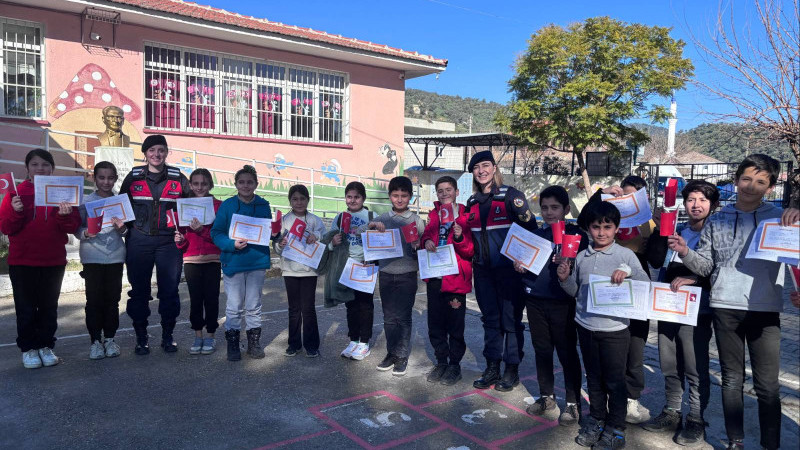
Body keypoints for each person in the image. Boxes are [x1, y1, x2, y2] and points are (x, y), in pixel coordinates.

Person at [669, 154, 800, 450]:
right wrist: (685, 252)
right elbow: (705, 267)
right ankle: (735, 442)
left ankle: (770, 444)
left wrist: (796, 213)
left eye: (760, 181)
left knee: (768, 386)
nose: (751, 186)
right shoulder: (717, 220)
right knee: (731, 380)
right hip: (725, 308)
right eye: (746, 179)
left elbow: (796, 261)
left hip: (765, 310)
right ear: (736, 179)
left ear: (770, 186)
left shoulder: (780, 219)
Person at [559, 201, 651, 450]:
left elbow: (644, 284)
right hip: (586, 326)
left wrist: (629, 272)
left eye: (607, 227)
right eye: (596, 227)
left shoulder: (625, 255)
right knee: (594, 379)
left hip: (615, 330)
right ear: (588, 229)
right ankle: (597, 419)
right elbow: (575, 292)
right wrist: (565, 279)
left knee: (615, 381)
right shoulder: (581, 257)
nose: (602, 232)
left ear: (617, 228)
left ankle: (616, 428)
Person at [642, 180, 719, 444]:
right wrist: (661, 230)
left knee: (695, 367)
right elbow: (654, 259)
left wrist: (695, 280)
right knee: (669, 362)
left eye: (702, 200)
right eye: (691, 200)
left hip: (698, 308)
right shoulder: (677, 228)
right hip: (669, 304)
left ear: (713, 204)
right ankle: (672, 411)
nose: (696, 205)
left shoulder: (716, 232)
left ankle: (696, 419)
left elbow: (715, 270)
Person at [579, 175, 655, 423]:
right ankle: (601, 411)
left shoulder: (647, 223)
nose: (623, 197)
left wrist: (632, 267)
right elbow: (586, 219)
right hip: (603, 291)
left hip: (631, 286)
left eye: (630, 195)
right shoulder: (604, 220)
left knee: (634, 348)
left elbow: (654, 259)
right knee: (602, 363)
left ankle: (631, 399)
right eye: (621, 192)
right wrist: (600, 194)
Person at [0, 148, 81, 369]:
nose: (40, 168)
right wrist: (16, 211)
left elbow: (73, 226)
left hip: (53, 260)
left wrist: (64, 215)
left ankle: (46, 345)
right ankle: (28, 349)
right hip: (22, 261)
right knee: (25, 308)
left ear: (52, 168)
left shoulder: (61, 192)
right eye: (35, 164)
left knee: (48, 307)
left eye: (45, 164)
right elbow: (6, 227)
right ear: (27, 168)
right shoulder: (16, 193)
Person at [465, 150, 538, 392]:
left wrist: (524, 261)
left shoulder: (511, 196)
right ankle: (492, 367)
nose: (481, 171)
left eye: (486, 165)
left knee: (511, 321)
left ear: (494, 168)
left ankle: (511, 369)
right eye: (476, 168)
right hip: (483, 272)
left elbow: (531, 231)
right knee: (490, 321)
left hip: (510, 272)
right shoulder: (472, 202)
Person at [519, 186, 588, 426]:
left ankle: (572, 402)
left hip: (563, 303)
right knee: (542, 350)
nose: (549, 213)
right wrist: (521, 267)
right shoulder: (536, 235)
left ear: (566, 209)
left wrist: (569, 261)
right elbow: (526, 266)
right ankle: (546, 396)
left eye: (555, 208)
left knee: (567, 352)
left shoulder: (577, 235)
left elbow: (582, 268)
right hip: (536, 301)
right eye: (545, 208)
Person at [119, 134, 189, 355]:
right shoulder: (133, 177)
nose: (156, 154)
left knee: (169, 291)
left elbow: (191, 208)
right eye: (152, 150)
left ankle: (168, 337)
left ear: (166, 152)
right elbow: (121, 205)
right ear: (145, 154)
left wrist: (184, 232)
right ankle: (141, 338)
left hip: (168, 243)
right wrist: (122, 226)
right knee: (139, 292)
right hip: (139, 241)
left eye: (161, 150)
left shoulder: (179, 178)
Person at [211, 165, 275, 361]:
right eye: (241, 182)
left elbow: (268, 231)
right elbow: (217, 232)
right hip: (234, 261)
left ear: (256, 184)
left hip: (256, 261)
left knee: (254, 305)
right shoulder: (228, 206)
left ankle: (254, 343)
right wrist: (231, 244)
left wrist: (274, 233)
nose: (246, 186)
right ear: (236, 184)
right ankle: (233, 343)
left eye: (250, 182)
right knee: (234, 305)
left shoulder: (263, 205)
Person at [419, 176, 474, 386]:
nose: (444, 194)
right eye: (440, 191)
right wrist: (428, 241)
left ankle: (454, 365)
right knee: (435, 323)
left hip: (455, 280)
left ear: (457, 192)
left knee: (455, 325)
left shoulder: (465, 216)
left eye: (448, 190)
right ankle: (441, 361)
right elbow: (425, 237)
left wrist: (459, 237)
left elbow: (470, 250)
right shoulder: (434, 214)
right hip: (435, 277)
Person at [369, 176, 425, 377]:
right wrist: (371, 228)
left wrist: (418, 247)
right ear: (390, 196)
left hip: (407, 275)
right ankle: (391, 353)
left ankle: (401, 356)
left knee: (403, 317)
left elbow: (425, 251)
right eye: (395, 195)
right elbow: (360, 232)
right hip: (385, 274)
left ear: (410, 197)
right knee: (389, 317)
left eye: (404, 195)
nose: (400, 199)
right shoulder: (383, 219)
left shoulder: (417, 221)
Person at [76, 161, 128, 360]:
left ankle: (110, 339)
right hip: (92, 257)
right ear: (94, 178)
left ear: (115, 179)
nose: (106, 182)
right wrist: (85, 233)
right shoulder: (86, 201)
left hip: (115, 258)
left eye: (110, 178)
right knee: (94, 301)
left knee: (112, 301)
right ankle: (95, 341)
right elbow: (76, 229)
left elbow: (127, 231)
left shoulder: (121, 202)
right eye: (101, 177)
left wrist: (121, 228)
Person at [319, 181, 375, 361]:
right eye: (349, 197)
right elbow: (328, 240)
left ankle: (364, 343)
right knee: (350, 304)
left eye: (356, 197)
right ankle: (354, 340)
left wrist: (372, 257)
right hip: (346, 266)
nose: (352, 200)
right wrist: (332, 243)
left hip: (365, 266)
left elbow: (380, 242)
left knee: (365, 305)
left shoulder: (372, 216)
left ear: (363, 198)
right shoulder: (340, 217)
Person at [273, 184, 326, 358]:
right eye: (295, 199)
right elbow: (276, 244)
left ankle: (311, 345)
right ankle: (294, 344)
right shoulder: (284, 221)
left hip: (309, 270)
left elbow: (324, 238)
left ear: (308, 200)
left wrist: (315, 237)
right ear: (290, 201)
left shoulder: (314, 220)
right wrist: (279, 245)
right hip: (290, 270)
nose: (299, 202)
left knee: (308, 308)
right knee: (294, 309)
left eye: (302, 198)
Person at [174, 168, 222, 355]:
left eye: (204, 183)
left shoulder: (218, 206)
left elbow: (219, 236)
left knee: (211, 298)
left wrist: (202, 229)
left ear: (210, 184)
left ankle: (210, 335)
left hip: (212, 259)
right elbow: (183, 236)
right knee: (195, 300)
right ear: (190, 185)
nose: (200, 187)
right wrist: (180, 241)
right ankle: (198, 335)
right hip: (191, 260)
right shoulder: (184, 205)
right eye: (196, 183)